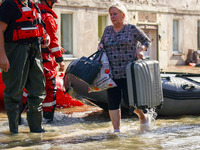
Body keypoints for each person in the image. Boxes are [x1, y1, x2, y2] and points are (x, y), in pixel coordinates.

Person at [98, 2, 151, 133]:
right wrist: (100, 47)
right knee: (113, 102)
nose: (112, 17)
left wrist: (141, 49)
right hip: (111, 73)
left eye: (115, 14)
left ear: (123, 15)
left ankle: (143, 117)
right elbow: (101, 43)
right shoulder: (107, 30)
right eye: (110, 15)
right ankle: (116, 130)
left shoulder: (132, 29)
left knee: (130, 103)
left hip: (129, 72)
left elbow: (146, 41)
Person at [0, 0, 46, 133]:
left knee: (38, 90)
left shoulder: (32, 4)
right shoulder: (9, 4)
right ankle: (14, 132)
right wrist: (2, 56)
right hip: (15, 50)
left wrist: (44, 38)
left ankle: (37, 130)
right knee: (14, 92)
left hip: (35, 51)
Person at [37, 0, 65, 123]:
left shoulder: (34, 13)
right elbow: (53, 43)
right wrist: (60, 60)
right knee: (50, 89)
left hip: (33, 59)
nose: (54, 5)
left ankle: (18, 120)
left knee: (30, 89)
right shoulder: (47, 17)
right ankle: (48, 120)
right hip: (46, 61)